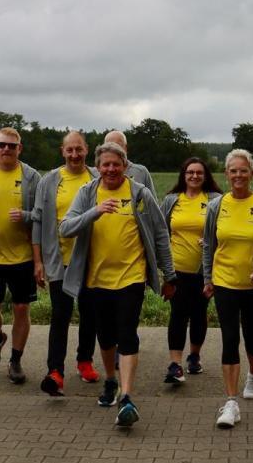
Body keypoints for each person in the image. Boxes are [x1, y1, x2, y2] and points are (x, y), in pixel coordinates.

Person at [58, 142, 176, 427]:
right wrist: (94, 212)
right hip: (95, 279)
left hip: (131, 277)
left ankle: (126, 396)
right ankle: (110, 380)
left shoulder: (140, 193)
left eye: (116, 164)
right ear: (98, 167)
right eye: (106, 164)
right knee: (106, 335)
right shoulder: (87, 193)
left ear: (125, 166)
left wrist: (169, 275)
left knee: (127, 332)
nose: (111, 169)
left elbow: (160, 234)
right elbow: (66, 227)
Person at [204, 149, 253, 429]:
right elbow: (208, 246)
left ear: (252, 173)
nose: (238, 175)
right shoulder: (216, 206)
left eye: (243, 170)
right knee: (228, 338)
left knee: (250, 335)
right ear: (226, 175)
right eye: (233, 171)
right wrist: (207, 278)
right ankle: (231, 402)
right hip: (224, 283)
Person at [32, 130, 100, 395]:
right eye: (69, 150)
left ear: (86, 150)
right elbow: (38, 221)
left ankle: (85, 361)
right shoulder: (49, 181)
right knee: (60, 315)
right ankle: (55, 371)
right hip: (59, 259)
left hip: (91, 260)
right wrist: (38, 261)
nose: (74, 155)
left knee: (90, 314)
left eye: (79, 149)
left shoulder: (97, 177)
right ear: (62, 151)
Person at [0, 128, 41, 384]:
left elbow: (42, 215)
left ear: (19, 149)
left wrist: (26, 217)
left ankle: (15, 360)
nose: (6, 150)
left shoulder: (32, 177)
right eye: (2, 145)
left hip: (22, 256)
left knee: (22, 308)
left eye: (11, 146)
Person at [160, 158, 221, 382]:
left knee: (198, 314)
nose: (194, 176)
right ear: (183, 175)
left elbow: (224, 229)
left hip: (203, 270)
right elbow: (160, 230)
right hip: (177, 269)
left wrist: (211, 240)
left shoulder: (215, 200)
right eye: (190, 172)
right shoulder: (171, 200)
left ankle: (194, 356)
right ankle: (175, 364)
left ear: (206, 176)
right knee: (177, 314)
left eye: (199, 173)